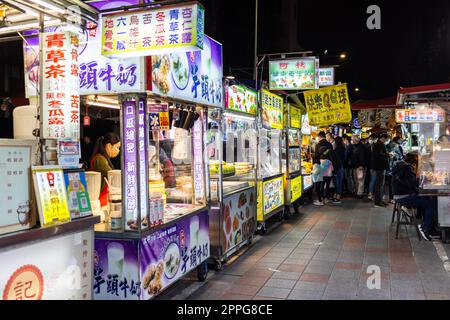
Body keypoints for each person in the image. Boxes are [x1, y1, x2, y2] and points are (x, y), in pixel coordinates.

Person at [392, 153, 438, 241]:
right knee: (430, 204)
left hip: (399, 195)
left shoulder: (401, 166)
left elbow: (409, 183)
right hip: (404, 196)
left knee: (427, 199)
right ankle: (425, 228)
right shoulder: (407, 168)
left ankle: (430, 227)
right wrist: (423, 178)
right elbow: (411, 184)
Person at [90, 132, 121, 207]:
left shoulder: (102, 159)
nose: (118, 151)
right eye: (117, 147)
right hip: (100, 200)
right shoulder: (100, 159)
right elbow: (113, 176)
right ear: (109, 146)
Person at [371, 133, 390, 207]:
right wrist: (388, 155)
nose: (387, 140)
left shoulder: (379, 144)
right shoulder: (378, 144)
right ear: (383, 138)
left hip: (380, 167)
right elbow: (379, 156)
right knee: (379, 185)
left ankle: (380, 200)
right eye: (387, 138)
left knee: (380, 185)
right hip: (380, 167)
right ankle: (378, 202)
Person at [350, 135, 368, 199]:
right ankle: (357, 192)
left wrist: (361, 165)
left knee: (360, 180)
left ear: (356, 140)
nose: (352, 141)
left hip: (360, 166)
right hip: (355, 166)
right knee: (356, 180)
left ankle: (360, 193)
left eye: (352, 139)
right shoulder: (355, 146)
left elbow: (362, 157)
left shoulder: (361, 147)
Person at [332, 136, 346, 203]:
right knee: (339, 182)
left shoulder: (335, 151)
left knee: (337, 183)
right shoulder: (344, 149)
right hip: (342, 167)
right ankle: (337, 195)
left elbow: (335, 161)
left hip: (337, 168)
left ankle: (337, 197)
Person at [367, 134, 378, 200]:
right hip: (374, 166)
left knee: (372, 180)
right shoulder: (374, 147)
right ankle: (371, 194)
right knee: (373, 180)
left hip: (371, 166)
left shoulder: (368, 146)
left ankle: (370, 194)